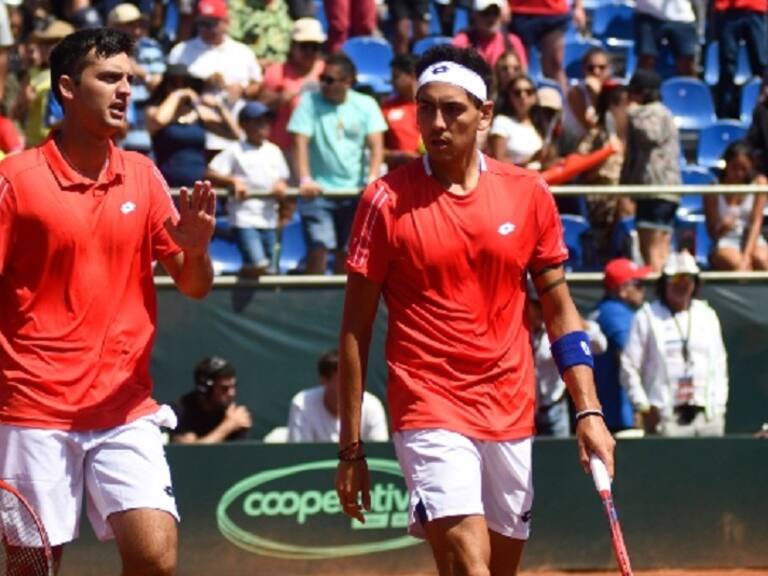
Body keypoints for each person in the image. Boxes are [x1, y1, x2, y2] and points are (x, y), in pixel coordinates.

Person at [335, 45, 615, 575]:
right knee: (470, 566)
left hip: (510, 407)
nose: (436, 123)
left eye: (453, 110)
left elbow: (559, 310)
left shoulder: (529, 193)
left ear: (485, 114)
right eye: (425, 109)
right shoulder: (384, 200)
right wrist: (350, 450)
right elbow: (354, 328)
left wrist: (590, 410)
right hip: (429, 405)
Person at [0, 27, 215, 575]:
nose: (125, 90)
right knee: (33, 569)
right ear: (68, 88)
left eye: (129, 79)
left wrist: (196, 251)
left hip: (124, 409)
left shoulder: (143, 175)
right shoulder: (15, 180)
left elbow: (193, 284)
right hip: (33, 410)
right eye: (109, 78)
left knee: (155, 557)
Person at [287, 52, 387, 274]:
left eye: (330, 80)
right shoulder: (309, 102)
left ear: (347, 82)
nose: (324, 84)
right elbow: (299, 142)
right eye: (322, 78)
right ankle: (314, 304)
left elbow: (376, 144)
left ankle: (343, 305)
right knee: (319, 248)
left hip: (354, 192)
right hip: (318, 191)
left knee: (349, 252)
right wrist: (305, 179)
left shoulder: (366, 104)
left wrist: (372, 178)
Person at [620, 251, 729, 437]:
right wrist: (644, 407)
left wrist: (719, 406)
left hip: (708, 415)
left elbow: (719, 363)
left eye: (687, 279)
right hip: (667, 416)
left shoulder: (707, 315)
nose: (682, 285)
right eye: (675, 280)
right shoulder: (647, 316)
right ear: (664, 282)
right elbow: (628, 366)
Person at [205, 101, 290, 276]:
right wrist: (232, 181)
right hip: (244, 217)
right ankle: (241, 276)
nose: (263, 126)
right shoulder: (234, 150)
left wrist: (281, 185)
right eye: (257, 121)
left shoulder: (274, 150)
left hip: (269, 218)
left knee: (271, 270)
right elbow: (211, 172)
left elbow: (282, 177)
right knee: (258, 263)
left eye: (266, 121)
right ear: (244, 125)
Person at [527, 279, 606, 438]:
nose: (542, 310)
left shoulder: (557, 328)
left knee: (558, 455)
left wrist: (571, 319)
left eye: (545, 304)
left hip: (554, 406)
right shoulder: (516, 329)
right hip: (523, 408)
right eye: (537, 304)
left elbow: (600, 345)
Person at [620, 69, 682, 272]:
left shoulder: (654, 111)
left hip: (656, 190)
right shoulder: (660, 112)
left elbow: (650, 135)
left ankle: (659, 296)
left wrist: (633, 112)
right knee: (660, 249)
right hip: (659, 191)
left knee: (652, 249)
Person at [146, 63, 240, 188]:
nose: (181, 88)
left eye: (185, 84)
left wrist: (219, 106)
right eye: (174, 84)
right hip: (168, 183)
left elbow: (235, 134)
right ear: (165, 86)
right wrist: (178, 94)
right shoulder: (153, 111)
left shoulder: (199, 114)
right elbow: (160, 120)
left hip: (198, 182)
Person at [589, 258, 651, 433]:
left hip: (607, 412)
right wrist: (640, 405)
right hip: (620, 415)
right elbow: (631, 353)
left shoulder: (604, 309)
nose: (643, 289)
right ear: (623, 289)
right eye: (638, 284)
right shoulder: (614, 312)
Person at [287, 349, 388, 442]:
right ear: (324, 380)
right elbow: (301, 454)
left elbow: (378, 453)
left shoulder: (372, 406)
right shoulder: (302, 404)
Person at [258, 17, 326, 152]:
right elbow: (261, 103)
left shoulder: (328, 70)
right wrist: (280, 99)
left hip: (320, 147)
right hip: (285, 146)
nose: (309, 52)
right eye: (304, 46)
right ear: (292, 46)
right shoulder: (277, 71)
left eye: (314, 47)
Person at [704, 140, 768, 271]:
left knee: (762, 260)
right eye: (734, 167)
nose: (739, 174)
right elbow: (712, 233)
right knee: (739, 267)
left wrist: (746, 255)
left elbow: (756, 222)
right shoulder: (712, 189)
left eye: (744, 169)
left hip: (753, 239)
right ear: (726, 164)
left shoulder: (760, 184)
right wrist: (723, 228)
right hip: (725, 241)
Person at [170, 357, 252, 443]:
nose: (232, 393)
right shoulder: (180, 411)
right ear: (206, 390)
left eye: (233, 386)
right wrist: (228, 426)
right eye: (224, 388)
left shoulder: (234, 414)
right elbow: (188, 453)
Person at [508, 0, 586, 89]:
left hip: (553, 12)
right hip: (518, 11)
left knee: (555, 64)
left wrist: (578, 7)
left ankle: (561, 101)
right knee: (517, 67)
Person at [714, 0, 768, 119]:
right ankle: (724, 116)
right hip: (727, 11)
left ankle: (763, 114)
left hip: (755, 8)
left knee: (762, 66)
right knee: (728, 67)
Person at [452, 0, 527, 70]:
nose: (491, 18)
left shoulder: (512, 42)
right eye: (485, 13)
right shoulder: (462, 41)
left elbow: (522, 76)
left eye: (495, 13)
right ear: (474, 14)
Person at [487, 74, 543, 166]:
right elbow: (498, 160)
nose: (523, 96)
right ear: (509, 97)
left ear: (534, 97)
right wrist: (528, 163)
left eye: (528, 92)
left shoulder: (538, 125)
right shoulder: (501, 122)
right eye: (517, 92)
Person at [634, 0, 698, 77]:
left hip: (682, 17)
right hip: (648, 15)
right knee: (646, 59)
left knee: (687, 64)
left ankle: (688, 88)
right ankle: (643, 87)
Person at [381, 53, 422, 172]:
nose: (391, 82)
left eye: (396, 77)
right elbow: (377, 151)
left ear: (413, 76)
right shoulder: (386, 108)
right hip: (399, 178)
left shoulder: (435, 105)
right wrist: (399, 156)